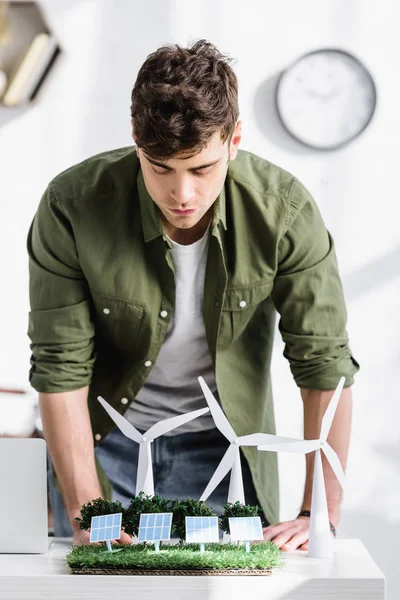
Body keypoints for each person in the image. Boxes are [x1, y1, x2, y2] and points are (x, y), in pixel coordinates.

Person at [27, 40, 359, 549]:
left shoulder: (285, 212)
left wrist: (320, 514)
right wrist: (87, 511)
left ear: (234, 141)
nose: (182, 195)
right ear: (136, 141)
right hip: (102, 445)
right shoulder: (72, 205)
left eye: (201, 169)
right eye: (160, 167)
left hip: (225, 449)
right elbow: (59, 366)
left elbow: (324, 366)